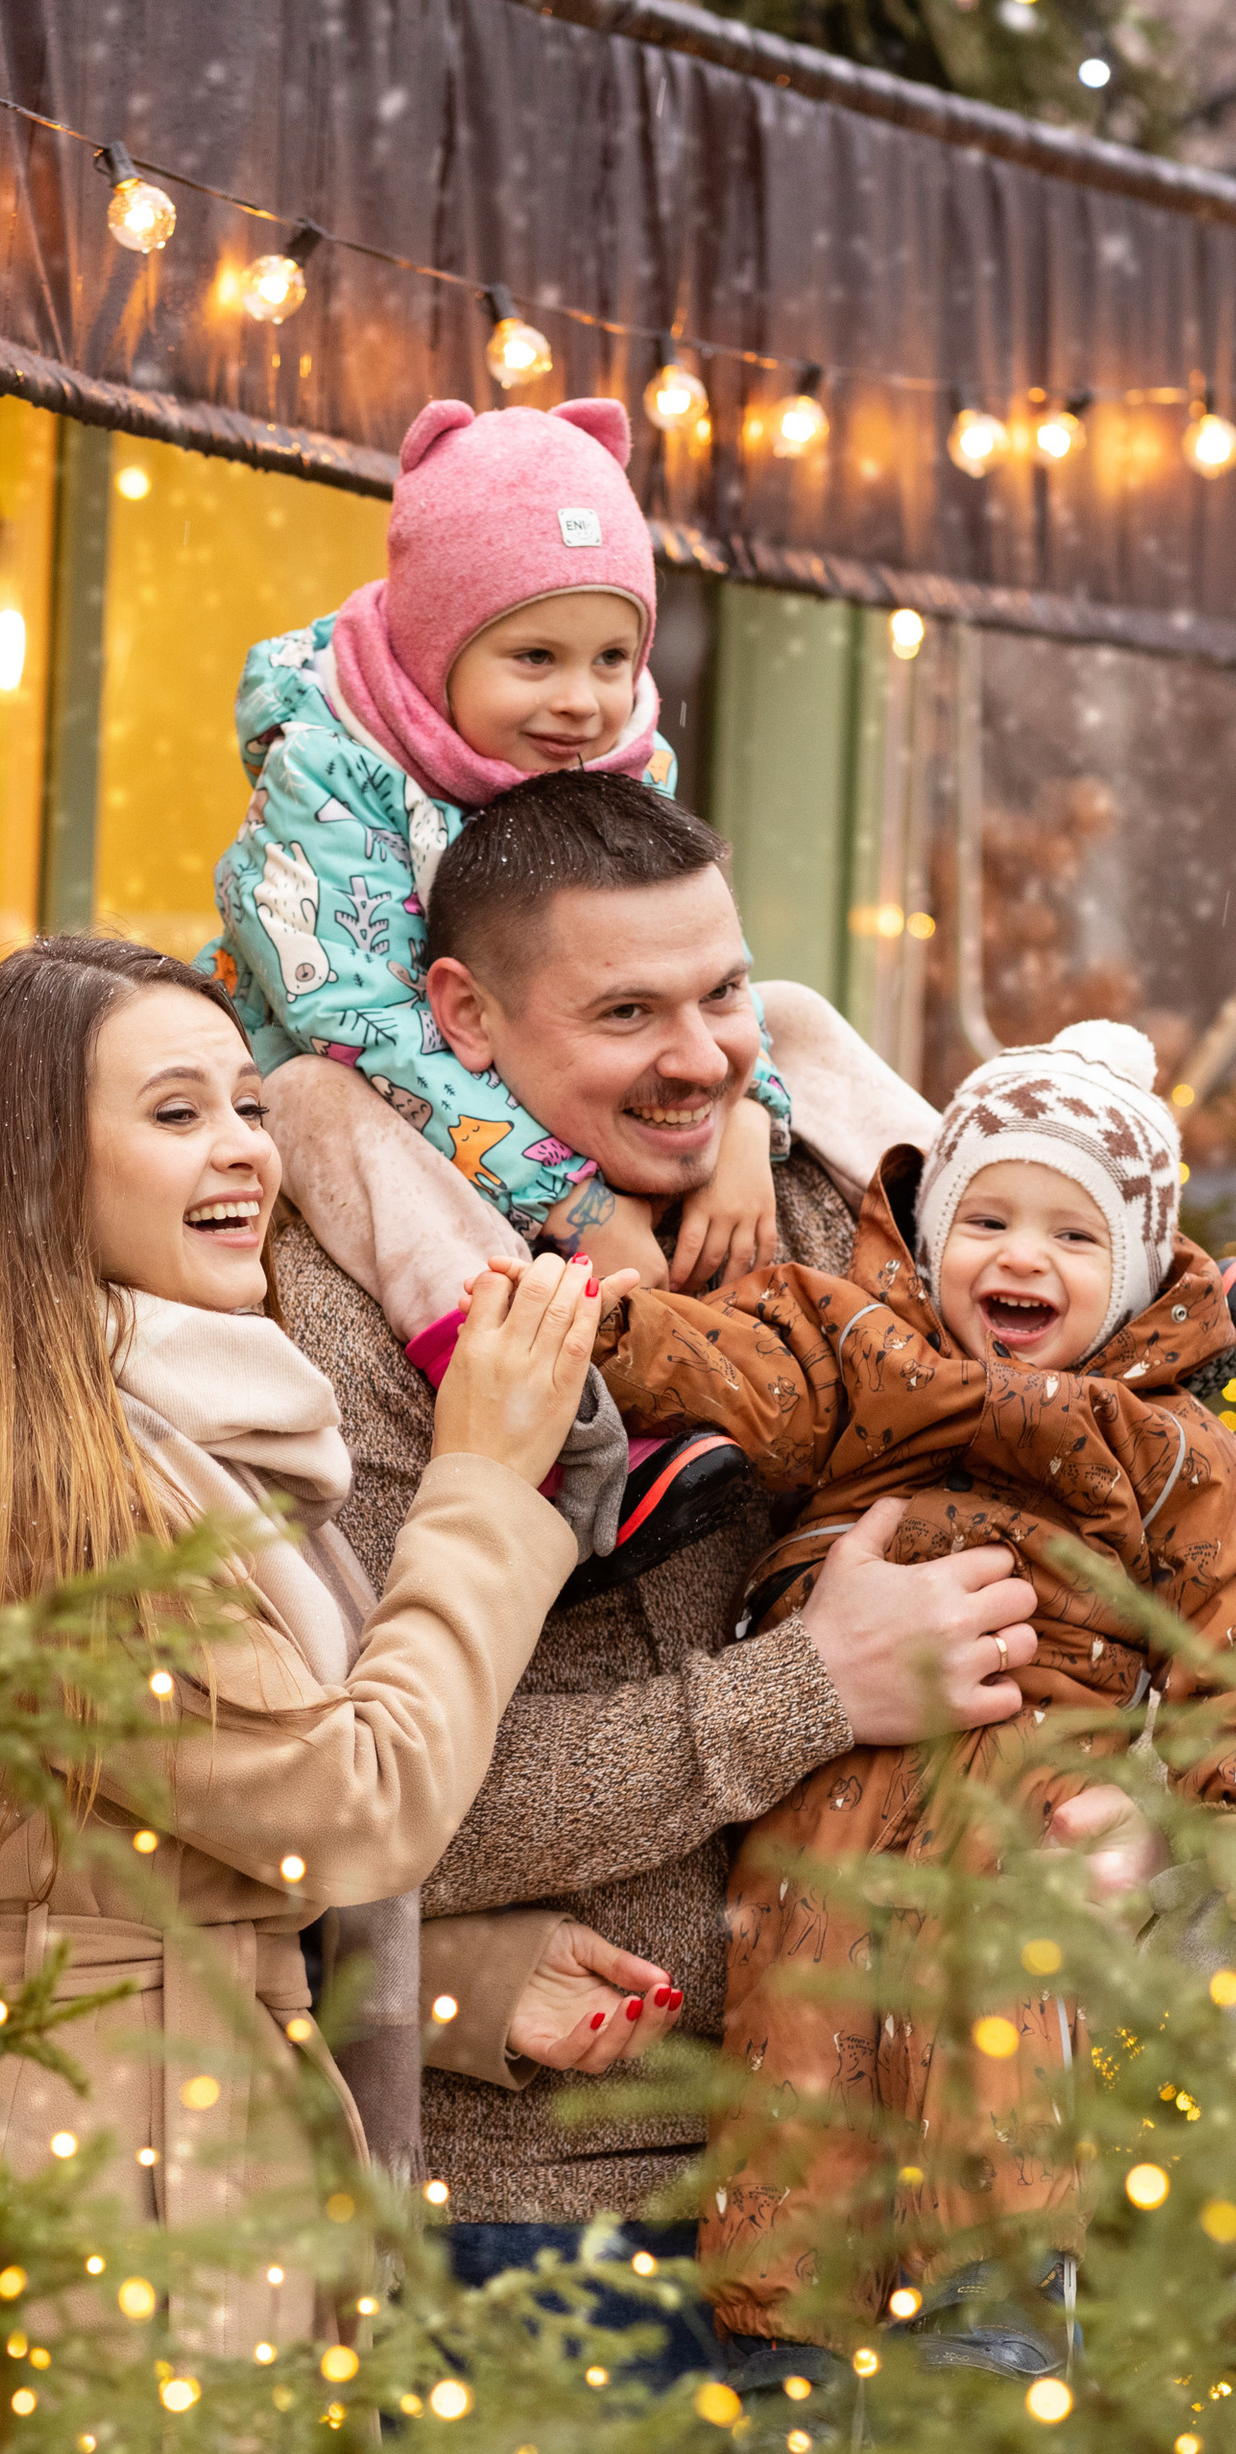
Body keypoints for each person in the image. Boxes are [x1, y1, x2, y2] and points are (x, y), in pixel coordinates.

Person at [263, 772, 1170, 2357]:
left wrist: (1124, 1794)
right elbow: (355, 1798)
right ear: (463, 1014)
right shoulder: (347, 1307)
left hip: (943, 2162)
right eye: (628, 1012)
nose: (700, 1060)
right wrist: (809, 1689)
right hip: (563, 2214)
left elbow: (1116, 1546)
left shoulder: (860, 1216)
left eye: (727, 993)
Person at [0, 936, 670, 2359]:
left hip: (154, 2177)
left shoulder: (195, 1451)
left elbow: (159, 1884)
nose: (245, 1151)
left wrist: (462, 1990)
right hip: (86, 2239)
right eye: (177, 1113)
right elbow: (349, 1808)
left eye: (250, 1108)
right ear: (35, 1172)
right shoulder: (37, 1492)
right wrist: (486, 1480)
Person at [578, 1017, 1236, 2365]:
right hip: (830, 1799)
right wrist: (602, 1322)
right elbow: (735, 1358)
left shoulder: (1172, 1446)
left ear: (1145, 1271)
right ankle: (778, 2367)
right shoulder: (865, 1353)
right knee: (795, 2064)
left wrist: (1215, 1815)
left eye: (1075, 1235)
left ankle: (992, 2337)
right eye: (987, 1217)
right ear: (932, 1241)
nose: (1021, 1256)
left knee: (995, 2052)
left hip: (1028, 1791)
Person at [204, 397, 794, 1592]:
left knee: (795, 1009)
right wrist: (573, 1199)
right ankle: (565, 1442)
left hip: (534, 1069)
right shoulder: (330, 773)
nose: (581, 701)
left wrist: (749, 1120)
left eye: (611, 658)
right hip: (371, 1087)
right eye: (534, 657)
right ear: (434, 649)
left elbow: (696, 969)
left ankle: (997, 1229)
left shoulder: (609, 754)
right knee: (317, 1102)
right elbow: (359, 1022)